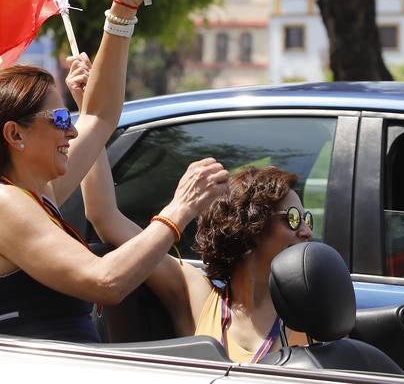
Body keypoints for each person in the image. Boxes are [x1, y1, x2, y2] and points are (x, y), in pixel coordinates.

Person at [0, 0, 228, 343]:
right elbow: (106, 281)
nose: (72, 131)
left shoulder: (35, 193)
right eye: (61, 119)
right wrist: (179, 210)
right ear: (15, 134)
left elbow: (99, 117)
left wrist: (123, 10)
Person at [79, 136, 313, 361]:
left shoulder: (314, 310)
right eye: (293, 218)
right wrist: (96, 117)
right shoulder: (196, 295)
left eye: (307, 219)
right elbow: (103, 215)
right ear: (251, 225)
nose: (307, 231)